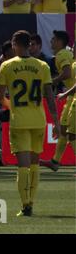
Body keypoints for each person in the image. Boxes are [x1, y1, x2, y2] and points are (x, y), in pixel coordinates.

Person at [0, 30, 59, 217]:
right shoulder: (42, 66)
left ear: (15, 45)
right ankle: (31, 201)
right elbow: (49, 96)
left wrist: (11, 105)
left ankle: (25, 205)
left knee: (22, 165)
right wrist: (56, 121)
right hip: (38, 120)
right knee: (35, 164)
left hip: (19, 121)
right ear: (29, 45)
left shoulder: (6, 66)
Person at [42, 31, 74, 171]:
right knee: (63, 130)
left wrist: (51, 82)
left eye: (53, 39)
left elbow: (67, 73)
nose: (51, 41)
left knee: (71, 133)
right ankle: (55, 161)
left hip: (72, 95)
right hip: (70, 96)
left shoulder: (61, 54)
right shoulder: (66, 54)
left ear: (60, 41)